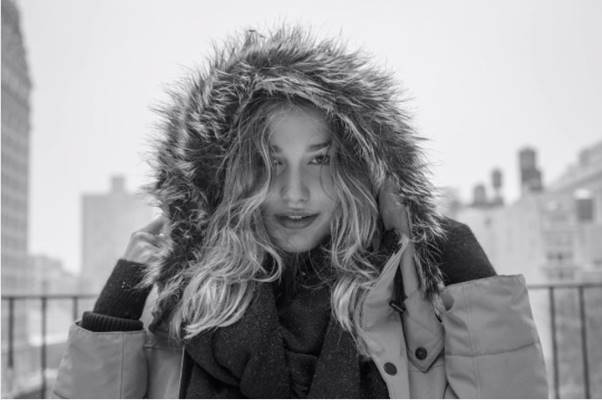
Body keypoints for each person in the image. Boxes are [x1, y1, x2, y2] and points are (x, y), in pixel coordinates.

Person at [53, 26, 548, 398]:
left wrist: (442, 239)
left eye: (320, 160)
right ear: (230, 177)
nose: (295, 193)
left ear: (359, 171)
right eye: (269, 162)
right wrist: (118, 308)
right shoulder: (178, 306)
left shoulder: (410, 296)